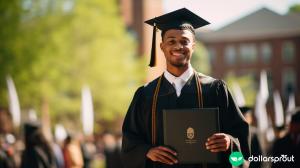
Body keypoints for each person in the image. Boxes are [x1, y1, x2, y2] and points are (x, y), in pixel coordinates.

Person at [121, 8, 250, 168]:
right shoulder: (146, 95)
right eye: (171, 41)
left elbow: (242, 153)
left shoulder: (215, 90)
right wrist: (147, 152)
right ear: (162, 47)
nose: (178, 46)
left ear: (193, 46)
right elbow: (129, 143)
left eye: (184, 41)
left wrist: (229, 143)